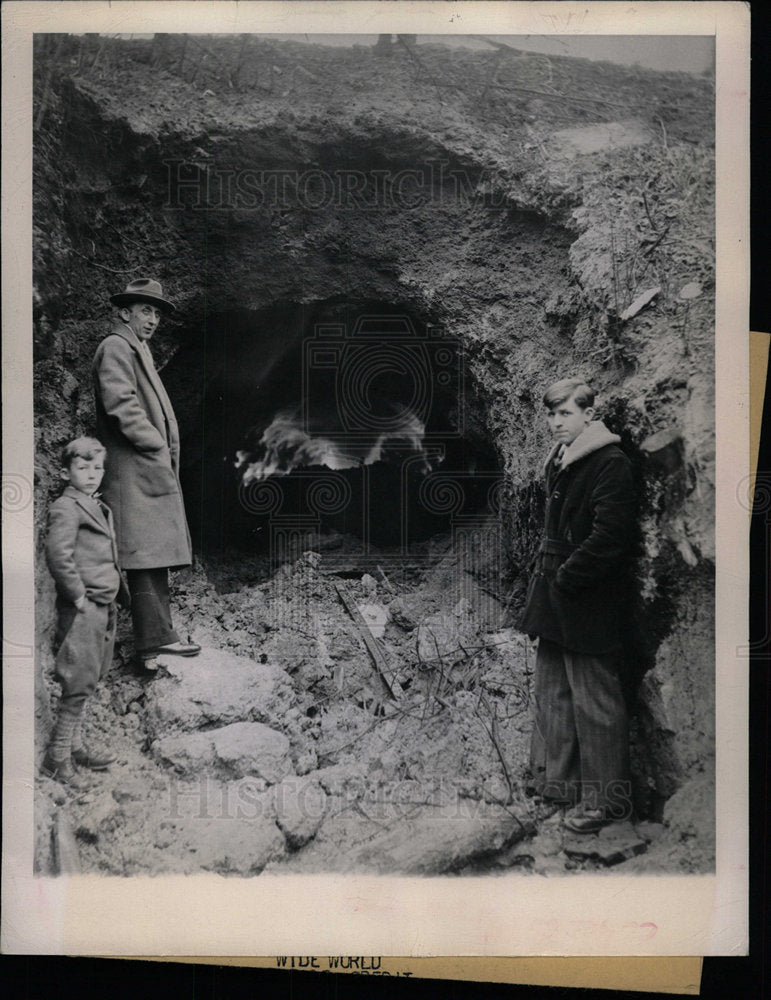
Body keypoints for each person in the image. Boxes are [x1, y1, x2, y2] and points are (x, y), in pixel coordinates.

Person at [521, 377, 636, 833]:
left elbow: (612, 537)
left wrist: (569, 578)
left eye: (564, 414)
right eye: (551, 414)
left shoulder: (610, 463)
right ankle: (559, 787)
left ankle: (605, 803)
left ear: (589, 414)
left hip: (586, 597)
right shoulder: (563, 459)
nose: (555, 423)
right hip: (554, 594)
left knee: (595, 700)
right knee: (553, 691)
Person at [93, 278, 200, 666]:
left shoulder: (136, 348)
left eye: (156, 312)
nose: (153, 319)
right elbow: (120, 404)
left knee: (151, 553)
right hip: (132, 470)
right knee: (143, 555)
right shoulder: (116, 348)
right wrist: (154, 444)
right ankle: (154, 641)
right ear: (125, 312)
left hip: (143, 470)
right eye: (145, 310)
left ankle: (158, 637)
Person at [43, 437, 129, 784]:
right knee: (77, 682)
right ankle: (57, 757)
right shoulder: (66, 507)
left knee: (90, 678)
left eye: (97, 467)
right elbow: (58, 555)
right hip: (83, 608)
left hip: (103, 603)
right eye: (82, 468)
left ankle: (75, 746)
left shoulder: (96, 505)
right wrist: (78, 598)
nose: (92, 474)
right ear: (66, 472)